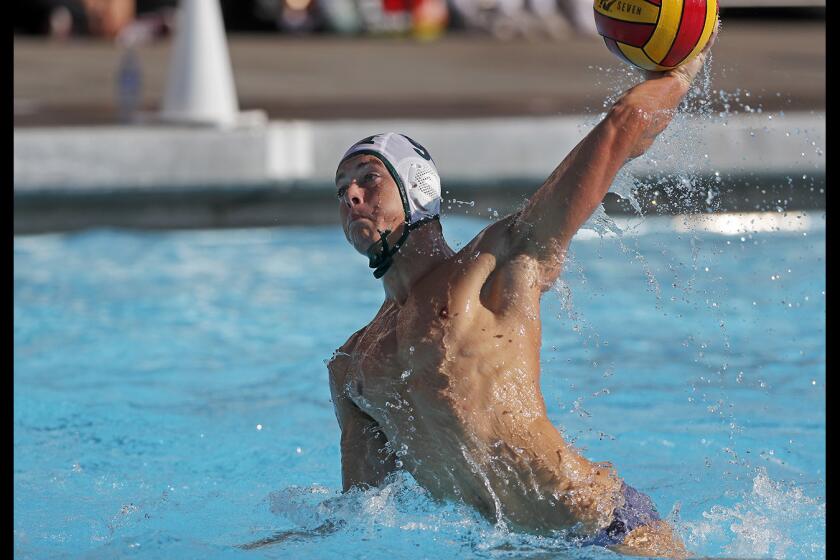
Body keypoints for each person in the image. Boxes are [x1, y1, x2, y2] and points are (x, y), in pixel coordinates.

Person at [328, 32, 717, 558]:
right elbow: (360, 518)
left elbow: (619, 133)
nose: (351, 196)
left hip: (606, 532)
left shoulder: (494, 266)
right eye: (342, 188)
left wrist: (679, 73)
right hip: (508, 549)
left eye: (369, 179)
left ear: (416, 188)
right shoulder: (352, 368)